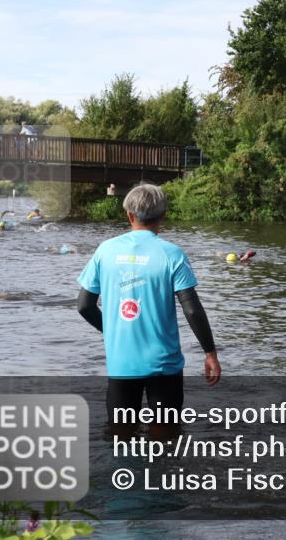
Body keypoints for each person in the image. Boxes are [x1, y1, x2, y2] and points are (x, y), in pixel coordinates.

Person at [77, 183, 221, 438]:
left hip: (122, 363)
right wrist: (210, 352)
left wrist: (111, 331)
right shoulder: (172, 255)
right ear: (163, 216)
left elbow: (85, 306)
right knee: (166, 438)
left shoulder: (105, 251)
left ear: (129, 216)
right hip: (164, 365)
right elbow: (193, 310)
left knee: (121, 437)